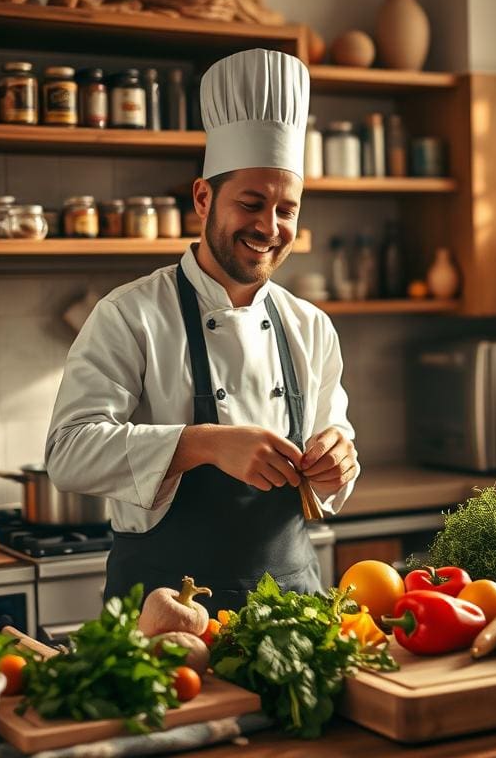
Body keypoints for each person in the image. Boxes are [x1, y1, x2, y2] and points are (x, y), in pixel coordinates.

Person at [45, 49, 358, 611]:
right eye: (251, 203)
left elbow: (333, 460)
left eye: (287, 209)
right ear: (203, 198)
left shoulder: (312, 327)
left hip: (290, 612)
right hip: (162, 612)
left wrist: (339, 461)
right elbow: (68, 453)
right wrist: (203, 444)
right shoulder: (129, 314)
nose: (269, 226)